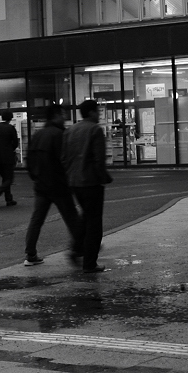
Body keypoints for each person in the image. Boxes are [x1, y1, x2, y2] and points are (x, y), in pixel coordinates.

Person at [23, 103, 84, 267]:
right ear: (56, 115)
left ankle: (30, 254)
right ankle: (81, 247)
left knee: (37, 220)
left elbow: (29, 159)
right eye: (62, 114)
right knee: (72, 217)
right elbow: (65, 160)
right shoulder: (60, 135)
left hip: (41, 185)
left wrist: (35, 176)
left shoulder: (38, 135)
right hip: (58, 184)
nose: (64, 118)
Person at [63, 99, 113, 274]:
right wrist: (104, 177)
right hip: (91, 181)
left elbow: (64, 157)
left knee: (86, 217)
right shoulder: (95, 130)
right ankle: (90, 263)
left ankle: (76, 249)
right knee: (94, 223)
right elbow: (98, 159)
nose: (99, 114)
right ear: (91, 112)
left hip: (74, 181)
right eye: (97, 111)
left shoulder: (71, 130)